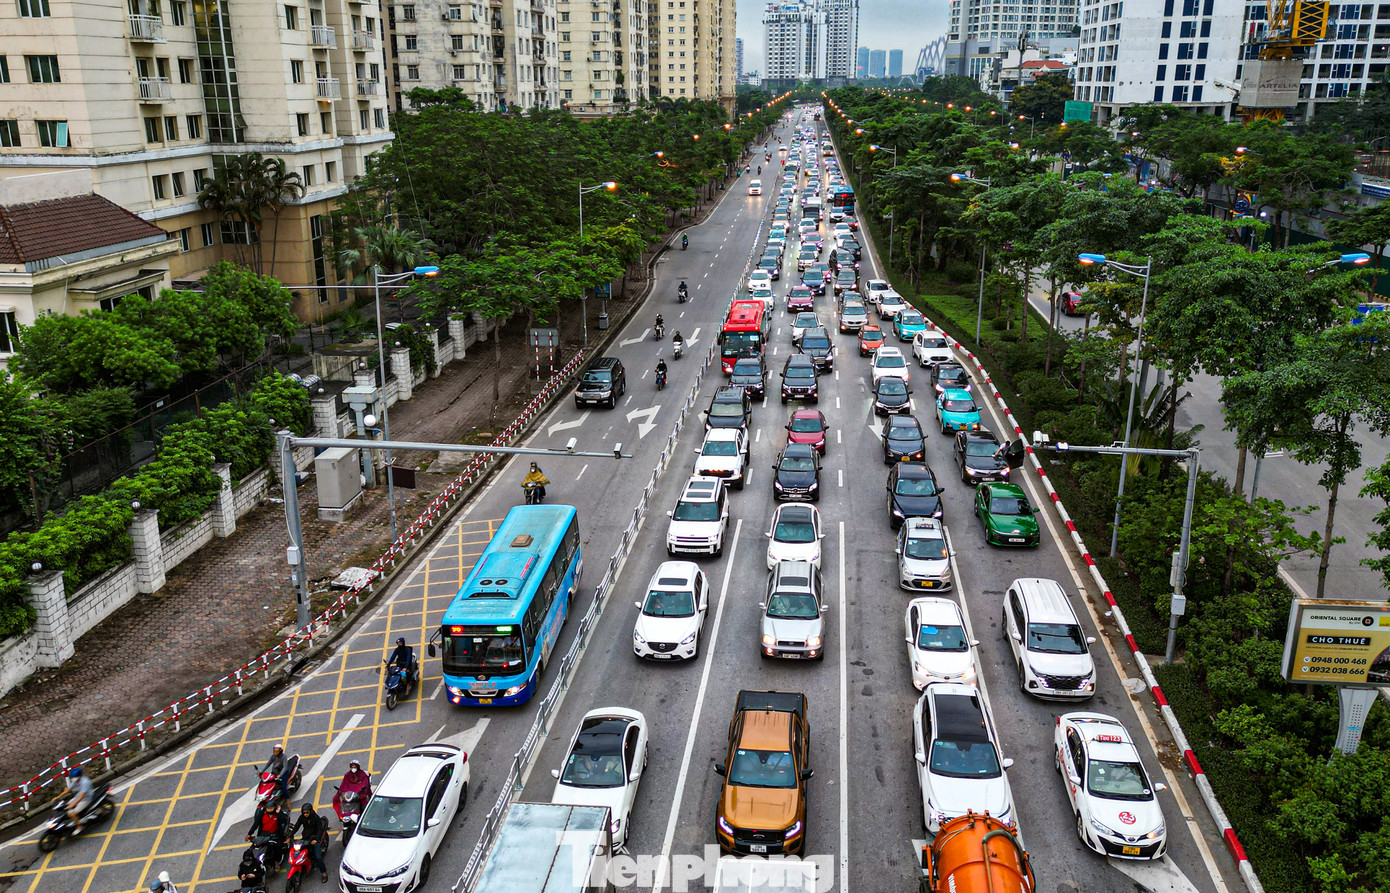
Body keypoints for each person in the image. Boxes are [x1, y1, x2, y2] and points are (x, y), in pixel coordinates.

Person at [289, 803, 330, 884]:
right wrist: (290, 836)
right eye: (304, 813)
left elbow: (320, 830)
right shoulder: (302, 817)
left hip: (314, 838)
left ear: (310, 811)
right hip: (305, 838)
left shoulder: (316, 818)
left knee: (318, 857)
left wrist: (316, 839)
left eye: (307, 812)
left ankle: (324, 873)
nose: (305, 814)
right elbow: (297, 826)